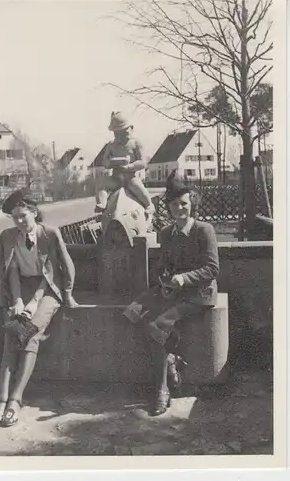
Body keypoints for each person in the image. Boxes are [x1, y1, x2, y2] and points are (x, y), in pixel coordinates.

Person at [123, 178, 220, 416]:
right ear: (169, 207)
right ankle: (170, 360)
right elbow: (161, 266)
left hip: (199, 293)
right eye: (175, 205)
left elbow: (212, 269)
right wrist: (163, 281)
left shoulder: (204, 230)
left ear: (192, 204)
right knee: (133, 312)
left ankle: (161, 391)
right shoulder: (166, 233)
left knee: (156, 326)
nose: (180, 209)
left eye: (184, 204)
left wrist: (183, 279)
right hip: (174, 290)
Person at [0, 190, 77, 427]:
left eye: (23, 216)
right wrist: (17, 300)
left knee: (29, 334)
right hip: (19, 290)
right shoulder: (7, 236)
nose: (19, 222)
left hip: (46, 289)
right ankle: (1, 400)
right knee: (11, 335)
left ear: (34, 213)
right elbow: (11, 270)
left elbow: (59, 268)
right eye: (14, 217)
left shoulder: (49, 234)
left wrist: (37, 300)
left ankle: (15, 400)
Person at [94, 111, 155, 216]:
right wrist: (110, 163)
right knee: (101, 184)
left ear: (131, 128)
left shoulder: (136, 143)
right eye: (117, 134)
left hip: (130, 177)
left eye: (123, 133)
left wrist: (130, 166)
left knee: (137, 186)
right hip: (115, 178)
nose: (120, 137)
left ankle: (149, 204)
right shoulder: (111, 145)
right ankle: (102, 203)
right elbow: (105, 161)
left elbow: (143, 162)